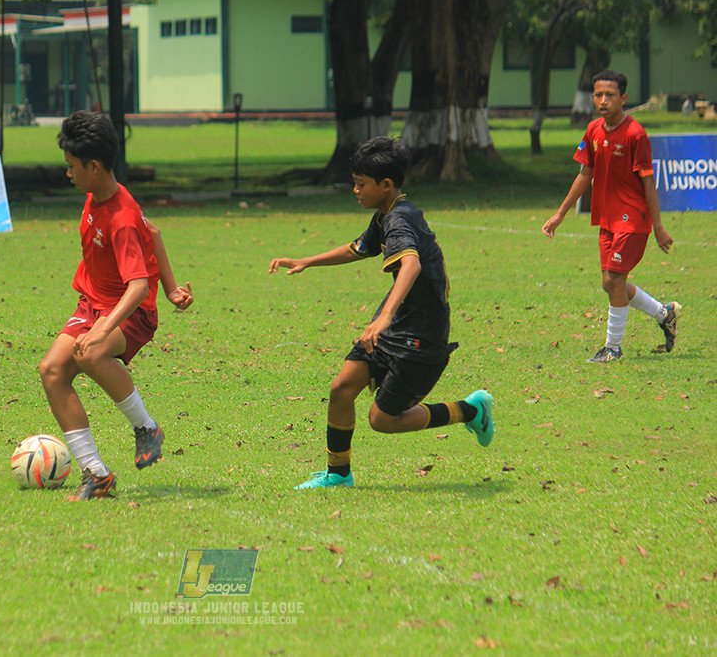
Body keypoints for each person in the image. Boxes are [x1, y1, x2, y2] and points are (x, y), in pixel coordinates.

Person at [268, 136, 494, 491]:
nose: (354, 190)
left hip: (421, 335)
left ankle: (469, 410)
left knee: (383, 420)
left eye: (361, 184)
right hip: (397, 325)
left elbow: (411, 264)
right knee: (342, 387)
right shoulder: (385, 214)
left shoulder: (401, 221)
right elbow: (359, 248)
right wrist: (307, 261)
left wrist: (384, 316)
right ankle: (338, 474)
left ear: (385, 185)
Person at [39, 110, 193, 501]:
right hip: (93, 303)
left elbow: (139, 287)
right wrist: (174, 288)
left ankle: (146, 428)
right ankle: (96, 473)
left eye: (72, 166)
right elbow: (154, 231)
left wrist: (104, 329)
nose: (67, 173)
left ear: (94, 166)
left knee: (90, 352)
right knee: (52, 370)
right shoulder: (97, 195)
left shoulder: (121, 217)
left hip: (132, 313)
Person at [542, 70, 680, 363]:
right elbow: (585, 173)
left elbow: (648, 182)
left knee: (615, 280)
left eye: (610, 95)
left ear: (624, 98)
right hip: (607, 219)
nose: (603, 101)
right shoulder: (593, 130)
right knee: (610, 283)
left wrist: (657, 226)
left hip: (633, 218)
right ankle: (663, 313)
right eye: (598, 95)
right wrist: (560, 214)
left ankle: (613, 349)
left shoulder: (635, 134)